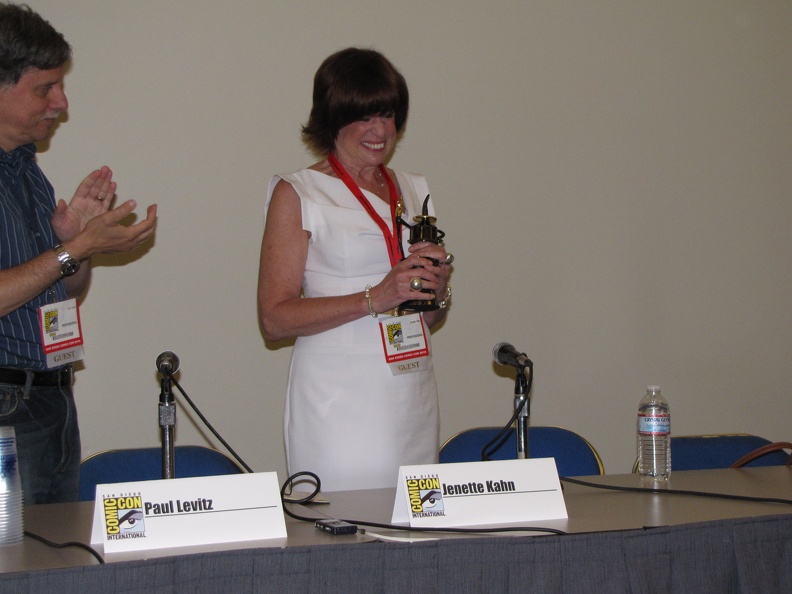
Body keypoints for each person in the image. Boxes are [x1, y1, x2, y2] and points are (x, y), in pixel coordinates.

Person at [258, 48, 453, 491]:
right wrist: (376, 297)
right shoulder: (299, 192)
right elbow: (273, 319)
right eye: (364, 117)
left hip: (409, 390)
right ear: (333, 118)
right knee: (347, 538)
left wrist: (434, 292)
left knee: (418, 534)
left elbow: (428, 317)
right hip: (338, 397)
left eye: (387, 116)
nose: (379, 131)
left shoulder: (413, 188)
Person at [0, 3, 157, 504]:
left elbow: (64, 290)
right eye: (44, 88)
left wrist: (79, 249)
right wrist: (72, 249)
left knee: (56, 567)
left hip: (52, 396)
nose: (61, 102)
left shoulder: (28, 172)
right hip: (5, 406)